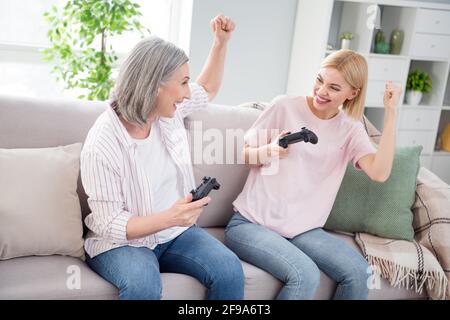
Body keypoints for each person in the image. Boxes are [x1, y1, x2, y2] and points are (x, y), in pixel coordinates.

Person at [81, 14, 244, 300]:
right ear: (154, 85)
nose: (185, 94)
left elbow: (207, 90)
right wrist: (169, 218)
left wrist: (220, 43)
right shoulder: (103, 143)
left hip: (174, 234)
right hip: (122, 243)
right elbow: (110, 223)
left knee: (229, 269)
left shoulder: (166, 112)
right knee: (143, 285)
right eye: (182, 83)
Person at [225, 49, 402, 300]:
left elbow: (380, 173)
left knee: (360, 273)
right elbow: (244, 155)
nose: (321, 91)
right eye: (319, 80)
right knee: (305, 275)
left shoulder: (350, 129)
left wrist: (391, 113)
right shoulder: (284, 106)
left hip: (303, 230)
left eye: (333, 87)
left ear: (353, 93)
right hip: (250, 224)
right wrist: (270, 150)